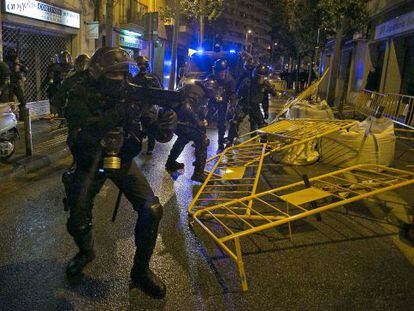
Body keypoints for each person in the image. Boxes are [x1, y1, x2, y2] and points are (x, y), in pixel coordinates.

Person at [62, 47, 177, 299]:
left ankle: (140, 272)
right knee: (77, 219)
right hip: (89, 160)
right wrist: (117, 113)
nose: (120, 81)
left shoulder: (131, 92)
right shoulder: (79, 91)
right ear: (98, 73)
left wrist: (166, 125)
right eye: (114, 75)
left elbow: (156, 131)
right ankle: (85, 251)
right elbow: (81, 132)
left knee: (152, 210)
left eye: (124, 74)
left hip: (122, 160)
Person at [165, 82, 210, 183]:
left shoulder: (190, 87)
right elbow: (187, 107)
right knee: (201, 140)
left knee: (183, 138)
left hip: (175, 120)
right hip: (182, 121)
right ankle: (198, 173)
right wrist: (198, 122)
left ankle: (170, 163)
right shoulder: (197, 91)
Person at [227, 64, 276, 147]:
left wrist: (266, 111)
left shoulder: (265, 85)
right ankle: (229, 141)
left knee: (262, 125)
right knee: (234, 122)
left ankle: (264, 143)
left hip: (255, 107)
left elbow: (265, 99)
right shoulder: (247, 83)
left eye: (263, 77)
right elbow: (238, 94)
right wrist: (234, 106)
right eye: (260, 77)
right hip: (244, 105)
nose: (261, 79)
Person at [131, 56, 163, 155]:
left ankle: (149, 148)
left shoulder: (152, 78)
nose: (141, 68)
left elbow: (159, 91)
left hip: (147, 108)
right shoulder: (132, 78)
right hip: (135, 108)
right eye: (140, 65)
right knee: (136, 130)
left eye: (143, 66)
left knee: (150, 130)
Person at [207, 59, 237, 153]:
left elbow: (232, 94)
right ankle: (199, 139)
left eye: (222, 71)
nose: (220, 74)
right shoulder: (211, 77)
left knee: (221, 123)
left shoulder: (230, 80)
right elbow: (205, 87)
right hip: (212, 101)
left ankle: (220, 145)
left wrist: (232, 104)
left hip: (223, 103)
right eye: (218, 71)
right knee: (204, 119)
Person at [53, 54, 91, 119]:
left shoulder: (93, 77)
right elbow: (59, 97)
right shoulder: (70, 79)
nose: (82, 65)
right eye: (80, 63)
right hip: (76, 114)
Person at [44, 50, 74, 116]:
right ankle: (58, 114)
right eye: (63, 57)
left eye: (66, 57)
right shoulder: (55, 67)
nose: (64, 59)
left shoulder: (72, 67)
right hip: (58, 87)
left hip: (67, 88)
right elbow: (51, 77)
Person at [4, 48, 28, 120]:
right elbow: (10, 72)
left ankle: (23, 117)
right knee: (9, 102)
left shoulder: (16, 62)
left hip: (16, 83)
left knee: (22, 100)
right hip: (9, 84)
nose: (14, 56)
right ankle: (10, 119)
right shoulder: (6, 62)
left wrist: (18, 64)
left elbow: (26, 69)